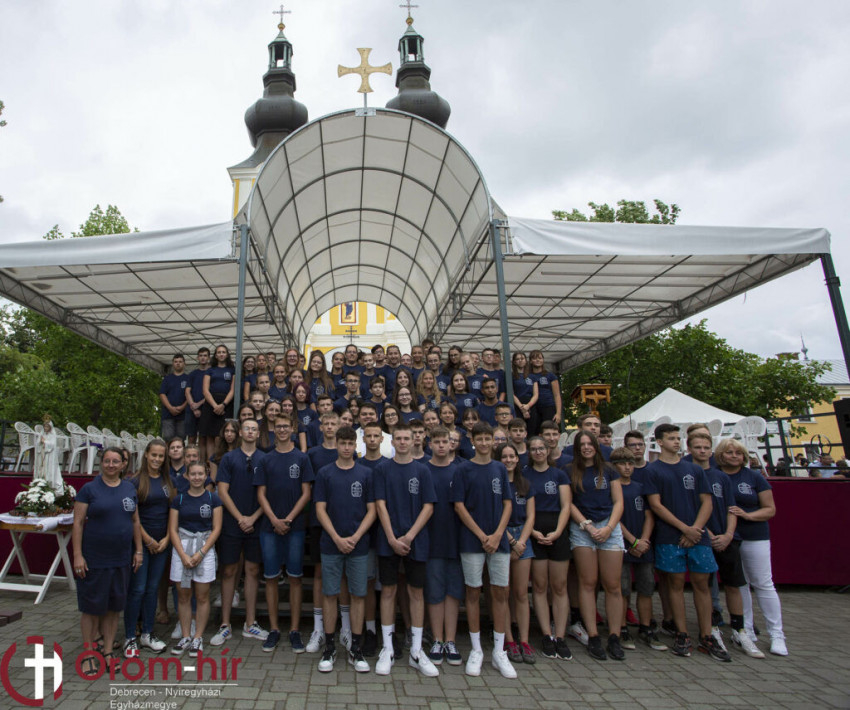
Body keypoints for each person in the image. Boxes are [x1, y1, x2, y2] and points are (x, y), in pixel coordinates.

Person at [644, 424, 724, 660]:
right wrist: (684, 529)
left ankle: (707, 634)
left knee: (702, 584)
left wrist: (695, 529)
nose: (676, 442)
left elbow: (707, 502)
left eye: (678, 438)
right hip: (670, 536)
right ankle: (682, 632)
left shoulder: (695, 470)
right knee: (675, 584)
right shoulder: (653, 470)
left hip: (698, 536)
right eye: (671, 438)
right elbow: (656, 505)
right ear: (660, 442)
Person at [450, 422, 517, 679]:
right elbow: (459, 506)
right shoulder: (463, 469)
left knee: (500, 592)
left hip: (498, 540)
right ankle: (476, 649)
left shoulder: (499, 468)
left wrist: (498, 534)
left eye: (489, 438)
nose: (485, 443)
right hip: (471, 540)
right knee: (473, 591)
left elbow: (507, 503)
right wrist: (481, 535)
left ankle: (499, 651)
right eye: (480, 439)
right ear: (473, 441)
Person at [689, 433, 764, 659]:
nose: (702, 451)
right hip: (703, 538)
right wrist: (709, 533)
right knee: (706, 586)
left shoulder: (721, 477)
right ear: (689, 449)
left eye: (706, 447)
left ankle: (740, 630)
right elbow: (691, 509)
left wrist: (729, 534)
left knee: (734, 584)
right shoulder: (689, 475)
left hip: (727, 538)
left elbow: (732, 508)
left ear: (711, 450)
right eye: (698, 447)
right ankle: (711, 628)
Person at [373, 423, 438, 677]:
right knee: (388, 591)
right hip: (387, 539)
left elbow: (428, 507)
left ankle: (416, 651)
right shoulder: (382, 469)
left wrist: (409, 537)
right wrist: (391, 538)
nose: (402, 442)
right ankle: (387, 648)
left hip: (416, 540)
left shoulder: (423, 470)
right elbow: (380, 505)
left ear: (413, 441)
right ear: (392, 442)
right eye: (398, 438)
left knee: (416, 593)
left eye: (406, 438)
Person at [72, 447, 143, 677]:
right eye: (107, 461)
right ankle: (88, 653)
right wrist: (77, 555)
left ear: (123, 465)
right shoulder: (89, 490)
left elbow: (135, 521)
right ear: (101, 463)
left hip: (121, 559)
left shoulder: (129, 488)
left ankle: (108, 651)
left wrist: (138, 550)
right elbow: (78, 523)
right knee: (92, 608)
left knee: (114, 608)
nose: (111, 465)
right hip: (95, 559)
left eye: (115, 461)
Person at [313, 425, 377, 673]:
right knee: (330, 594)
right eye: (343, 443)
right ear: (337, 445)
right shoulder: (325, 473)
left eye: (351, 444)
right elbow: (320, 509)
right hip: (331, 543)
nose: (347, 448)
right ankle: (330, 647)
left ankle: (356, 649)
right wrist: (337, 537)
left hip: (359, 545)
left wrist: (356, 536)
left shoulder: (365, 474)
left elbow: (372, 510)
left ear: (355, 445)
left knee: (358, 594)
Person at [716, 437, 788, 656]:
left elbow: (770, 509)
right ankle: (745, 628)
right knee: (739, 584)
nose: (734, 456)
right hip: (727, 537)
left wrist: (747, 515)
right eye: (729, 452)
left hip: (754, 535)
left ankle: (776, 634)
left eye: (738, 453)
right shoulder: (715, 476)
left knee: (763, 583)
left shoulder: (754, 477)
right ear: (721, 455)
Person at [255, 411, 314, 654]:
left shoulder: (302, 458)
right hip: (269, 527)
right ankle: (274, 629)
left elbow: (306, 493)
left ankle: (294, 630)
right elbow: (260, 494)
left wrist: (288, 519)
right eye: (278, 426)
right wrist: (274, 519)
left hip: (295, 527)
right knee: (271, 578)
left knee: (295, 578)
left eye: (285, 426)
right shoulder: (265, 459)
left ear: (292, 428)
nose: (281, 430)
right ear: (274, 429)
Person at [210, 418, 269, 647]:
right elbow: (222, 492)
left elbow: (268, 493)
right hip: (232, 523)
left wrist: (252, 518)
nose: (251, 432)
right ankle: (225, 624)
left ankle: (250, 623)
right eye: (247, 428)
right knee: (229, 571)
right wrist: (240, 518)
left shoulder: (264, 459)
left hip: (257, 522)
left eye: (254, 429)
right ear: (240, 433)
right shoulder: (228, 458)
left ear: (258, 433)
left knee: (253, 570)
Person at [568, 432, 625, 661]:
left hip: (609, 527)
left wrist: (609, 527)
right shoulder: (570, 470)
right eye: (582, 444)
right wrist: (587, 526)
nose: (586, 447)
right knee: (588, 583)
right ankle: (592, 635)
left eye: (589, 443)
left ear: (596, 446)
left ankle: (614, 636)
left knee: (613, 585)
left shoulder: (609, 470)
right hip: (583, 528)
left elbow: (618, 501)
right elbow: (569, 503)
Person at [609, 447, 666, 652]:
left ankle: (646, 627)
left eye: (630, 463)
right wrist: (632, 541)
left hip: (644, 545)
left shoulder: (641, 487)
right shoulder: (612, 488)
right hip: (623, 544)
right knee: (622, 588)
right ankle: (622, 627)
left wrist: (644, 540)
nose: (627, 467)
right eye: (622, 464)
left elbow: (650, 516)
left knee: (646, 587)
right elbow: (614, 518)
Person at [168, 462, 223, 657]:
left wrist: (201, 552)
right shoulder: (179, 499)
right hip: (182, 548)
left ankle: (198, 637)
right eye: (193, 474)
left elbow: (217, 528)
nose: (197, 477)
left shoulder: (213, 498)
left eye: (200, 474)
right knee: (183, 595)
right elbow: (173, 529)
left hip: (204, 548)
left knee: (202, 596)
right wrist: (183, 555)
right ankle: (185, 635)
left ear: (206, 475)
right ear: (187, 476)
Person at [524, 436, 572, 661]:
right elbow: (524, 506)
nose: (538, 452)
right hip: (534, 531)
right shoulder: (525, 474)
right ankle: (546, 634)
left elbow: (566, 506)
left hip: (557, 531)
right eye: (534, 449)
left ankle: (560, 635)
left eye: (541, 448)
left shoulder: (559, 474)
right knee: (540, 586)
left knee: (559, 586)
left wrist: (559, 531)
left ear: (548, 450)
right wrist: (532, 532)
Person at [124, 438, 171, 658]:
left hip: (162, 544)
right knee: (138, 589)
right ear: (146, 455)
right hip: (142, 544)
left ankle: (148, 633)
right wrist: (147, 540)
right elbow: (133, 517)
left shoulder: (167, 481)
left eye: (161, 456)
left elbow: (172, 512)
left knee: (152, 589)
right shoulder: (135, 482)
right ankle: (129, 636)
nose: (157, 459)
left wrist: (167, 538)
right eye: (154, 455)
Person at [424, 427, 464, 667]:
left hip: (456, 539)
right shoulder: (423, 470)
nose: (441, 445)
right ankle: (437, 639)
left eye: (445, 441)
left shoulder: (460, 471)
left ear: (452, 444)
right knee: (435, 592)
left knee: (453, 592)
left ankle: (451, 640)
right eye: (436, 441)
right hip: (431, 540)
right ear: (430, 444)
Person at [497, 442, 536, 665]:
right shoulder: (495, 483)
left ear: (518, 459)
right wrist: (511, 541)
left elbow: (531, 516)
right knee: (503, 592)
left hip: (523, 537)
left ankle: (524, 640)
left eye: (512, 456)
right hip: (502, 536)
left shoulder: (525, 483)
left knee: (521, 593)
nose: (509, 460)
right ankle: (509, 640)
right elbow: (494, 515)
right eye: (504, 456)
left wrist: (521, 542)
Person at [200, 345, 236, 463]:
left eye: (223, 352)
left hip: (226, 404)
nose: (221, 354)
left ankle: (221, 461)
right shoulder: (210, 370)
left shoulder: (232, 370)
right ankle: (210, 463)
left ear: (227, 354)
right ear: (215, 355)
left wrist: (223, 405)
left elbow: (233, 390)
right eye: (219, 352)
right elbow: (205, 390)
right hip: (211, 404)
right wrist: (215, 405)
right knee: (209, 435)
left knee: (221, 435)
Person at [185, 347, 211, 446]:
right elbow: (187, 391)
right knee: (191, 437)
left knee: (203, 438)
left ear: (209, 358)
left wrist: (199, 404)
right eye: (200, 356)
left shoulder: (212, 373)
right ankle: (190, 455)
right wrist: (193, 406)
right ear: (197, 358)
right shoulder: (192, 374)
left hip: (206, 408)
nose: (203, 358)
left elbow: (211, 392)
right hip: (192, 410)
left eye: (205, 355)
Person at [529, 351, 561, 427]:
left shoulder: (550, 375)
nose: (537, 360)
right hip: (533, 408)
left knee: (548, 429)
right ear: (530, 361)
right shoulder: (528, 376)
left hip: (548, 406)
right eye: (534, 358)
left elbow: (557, 395)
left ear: (543, 360)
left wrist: (558, 413)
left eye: (540, 358)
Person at [160, 354, 188, 440]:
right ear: (173, 363)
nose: (178, 363)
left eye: (180, 362)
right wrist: (170, 408)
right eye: (176, 362)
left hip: (183, 415)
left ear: (184, 363)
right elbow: (162, 394)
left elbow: (190, 395)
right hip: (168, 415)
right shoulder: (167, 379)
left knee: (181, 439)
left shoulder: (188, 378)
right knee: (168, 438)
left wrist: (182, 407)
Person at [511, 352, 540, 435]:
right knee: (519, 429)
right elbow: (511, 393)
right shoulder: (511, 376)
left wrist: (528, 406)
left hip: (531, 405)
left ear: (526, 361)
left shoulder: (532, 376)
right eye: (517, 359)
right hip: (517, 405)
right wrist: (522, 408)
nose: (520, 360)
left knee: (532, 430)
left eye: (522, 358)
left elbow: (536, 394)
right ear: (514, 362)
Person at [34, 415, 63, 491]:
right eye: (44, 426)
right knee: (42, 468)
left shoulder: (52, 435)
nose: (45, 428)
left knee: (48, 469)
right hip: (42, 454)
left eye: (47, 427)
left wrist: (45, 442)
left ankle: (49, 484)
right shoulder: (42, 434)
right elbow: (37, 444)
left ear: (50, 427)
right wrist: (40, 442)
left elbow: (52, 445)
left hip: (49, 455)